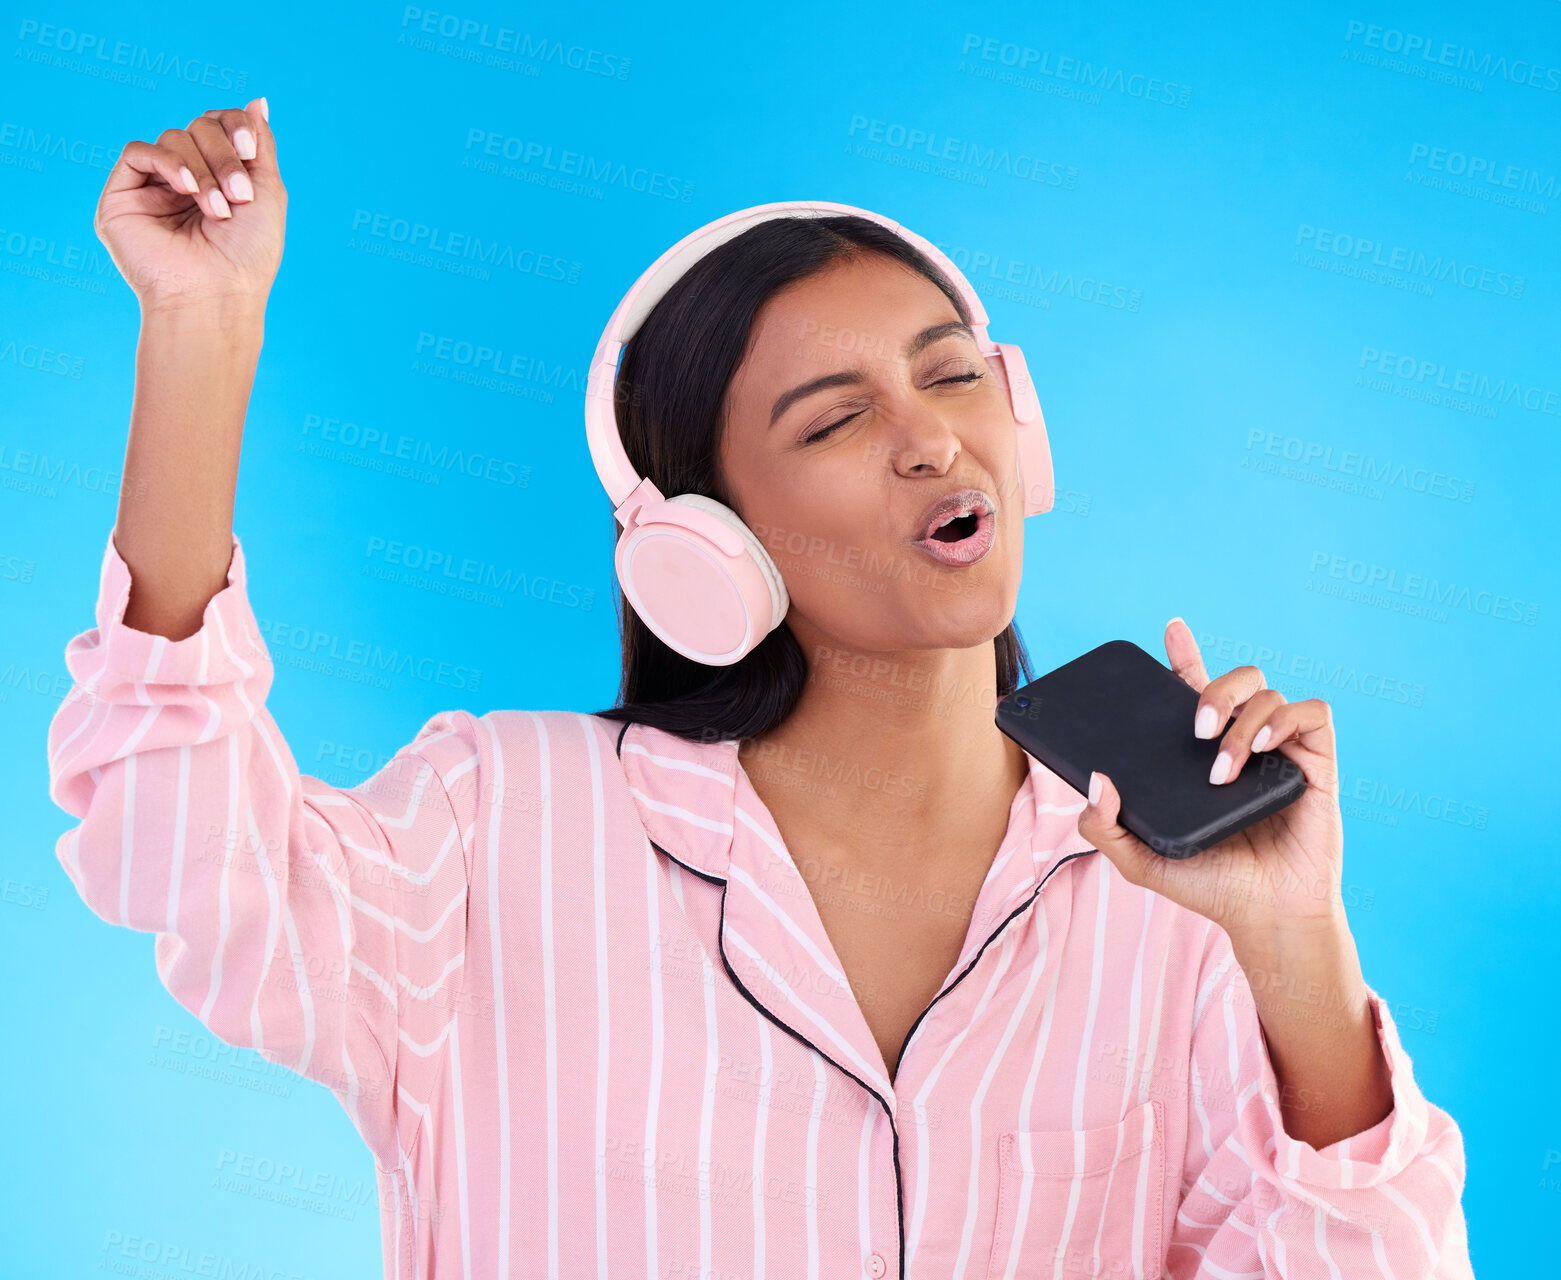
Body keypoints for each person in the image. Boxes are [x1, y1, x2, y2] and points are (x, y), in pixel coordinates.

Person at [47, 98, 1475, 1279]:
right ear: (700, 547)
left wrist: (1293, 939)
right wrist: (203, 325)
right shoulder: (500, 827)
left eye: (953, 380)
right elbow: (177, 845)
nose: (930, 444)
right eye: (838, 418)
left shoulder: (1170, 886)